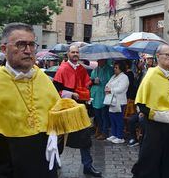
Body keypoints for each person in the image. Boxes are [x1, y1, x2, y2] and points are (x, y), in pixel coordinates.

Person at [0, 23, 62, 177]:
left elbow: (57, 125)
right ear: (4, 49)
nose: (28, 50)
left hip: (44, 168)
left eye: (31, 45)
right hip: (8, 170)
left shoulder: (44, 80)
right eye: (21, 45)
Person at [131, 44, 169, 178]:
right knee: (153, 164)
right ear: (158, 56)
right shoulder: (151, 76)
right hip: (157, 129)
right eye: (168, 55)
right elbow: (143, 106)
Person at [53, 45, 101, 177]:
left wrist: (91, 85)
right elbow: (56, 89)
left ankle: (87, 165)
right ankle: (54, 163)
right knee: (60, 138)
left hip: (80, 108)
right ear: (68, 54)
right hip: (66, 108)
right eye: (73, 52)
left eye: (77, 52)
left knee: (85, 137)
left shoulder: (81, 69)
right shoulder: (62, 68)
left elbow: (84, 84)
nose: (75, 54)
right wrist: (71, 94)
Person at [105, 61, 129, 144]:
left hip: (120, 101)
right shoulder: (114, 76)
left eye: (116, 68)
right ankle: (114, 134)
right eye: (114, 67)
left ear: (121, 68)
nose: (114, 69)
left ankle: (120, 136)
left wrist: (111, 89)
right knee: (112, 118)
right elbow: (107, 84)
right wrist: (108, 88)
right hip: (112, 100)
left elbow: (121, 89)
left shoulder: (124, 77)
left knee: (119, 119)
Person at [90, 59, 113, 140]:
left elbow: (110, 81)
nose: (99, 61)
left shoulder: (109, 69)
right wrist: (93, 81)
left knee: (104, 116)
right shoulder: (95, 70)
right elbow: (90, 81)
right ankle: (99, 130)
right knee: (98, 115)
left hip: (104, 95)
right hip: (96, 96)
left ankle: (104, 132)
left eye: (101, 60)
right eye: (98, 60)